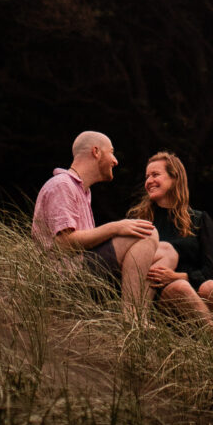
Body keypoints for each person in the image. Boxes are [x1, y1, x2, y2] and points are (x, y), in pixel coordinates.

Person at [32, 130, 158, 316]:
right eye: (112, 152)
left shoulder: (83, 192)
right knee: (147, 233)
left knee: (159, 251)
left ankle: (136, 316)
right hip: (62, 279)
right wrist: (115, 227)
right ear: (96, 152)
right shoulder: (62, 185)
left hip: (76, 272)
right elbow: (63, 243)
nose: (115, 160)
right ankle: (132, 318)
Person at [128, 151, 213, 330]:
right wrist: (173, 280)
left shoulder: (199, 220)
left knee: (212, 288)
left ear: (174, 178)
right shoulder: (140, 221)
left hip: (197, 287)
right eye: (147, 176)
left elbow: (211, 270)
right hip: (159, 294)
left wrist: (178, 275)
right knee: (179, 288)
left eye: (155, 175)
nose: (149, 181)